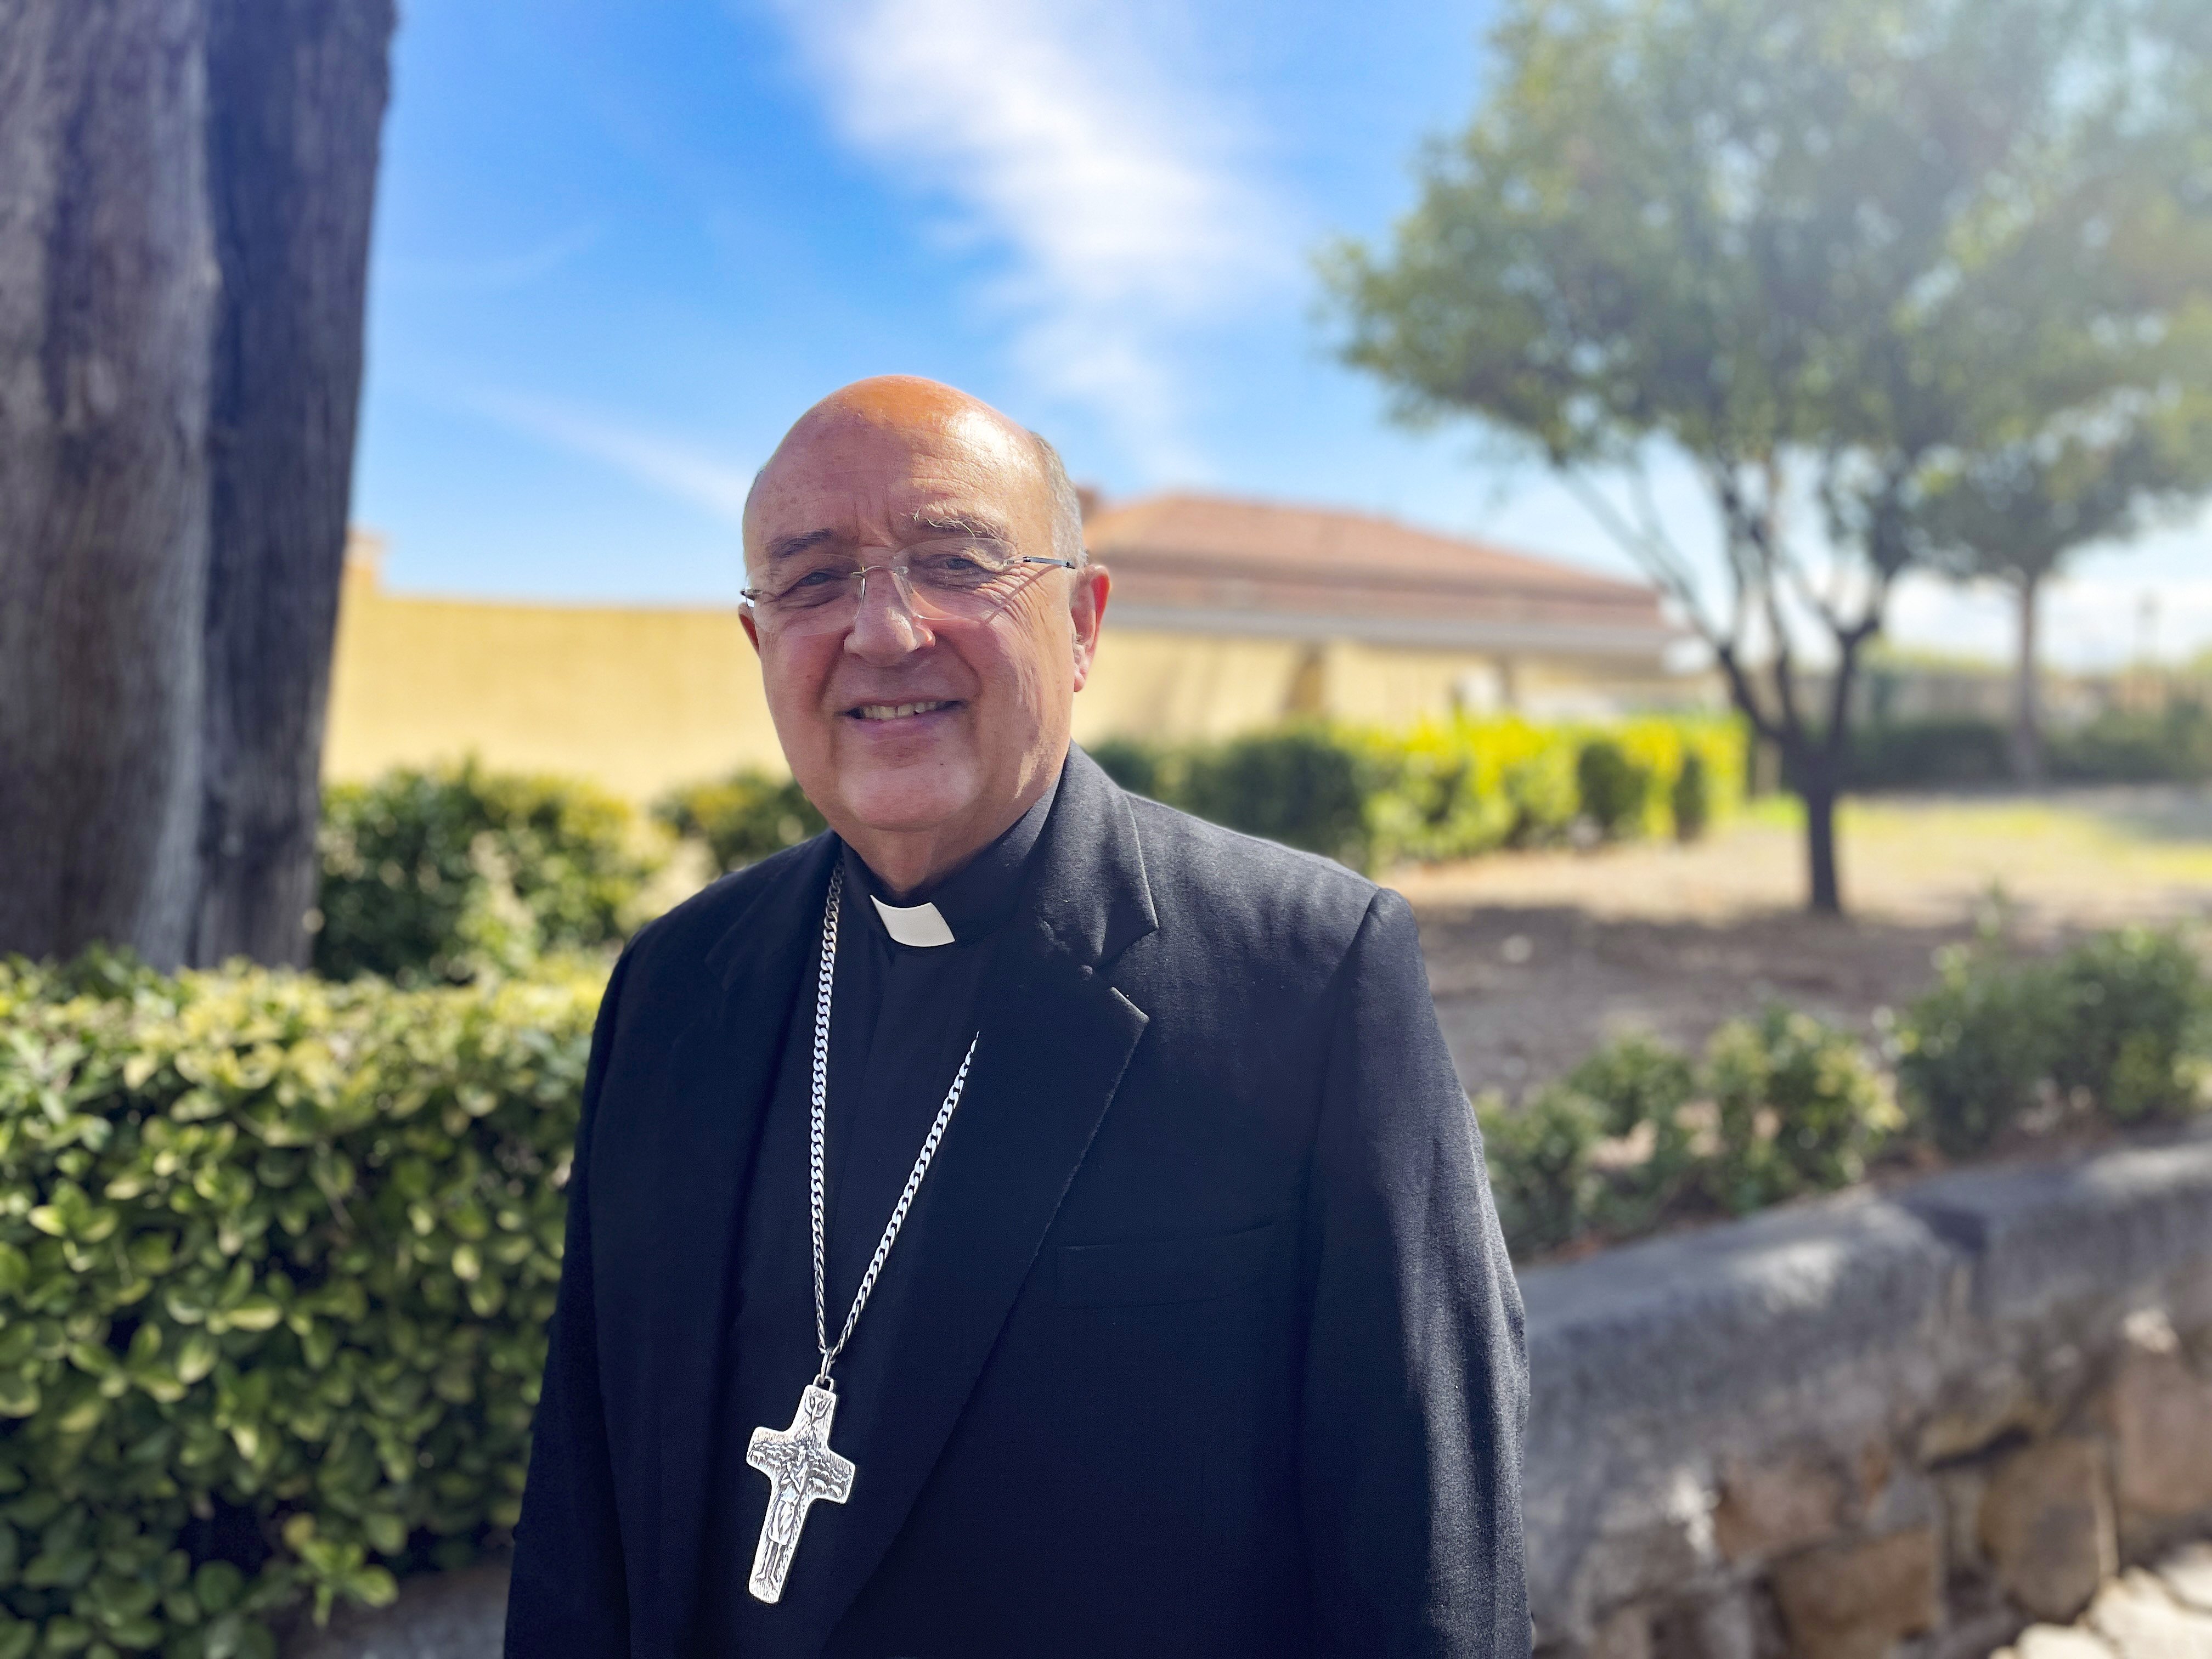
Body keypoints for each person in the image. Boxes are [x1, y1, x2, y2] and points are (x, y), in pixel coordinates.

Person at [505, 376, 1530, 1657]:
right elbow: (583, 1503)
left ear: (1084, 623)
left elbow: (1428, 1558)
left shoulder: (1308, 978)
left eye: (954, 562)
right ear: (760, 642)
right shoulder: (673, 986)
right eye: (815, 581)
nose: (882, 633)